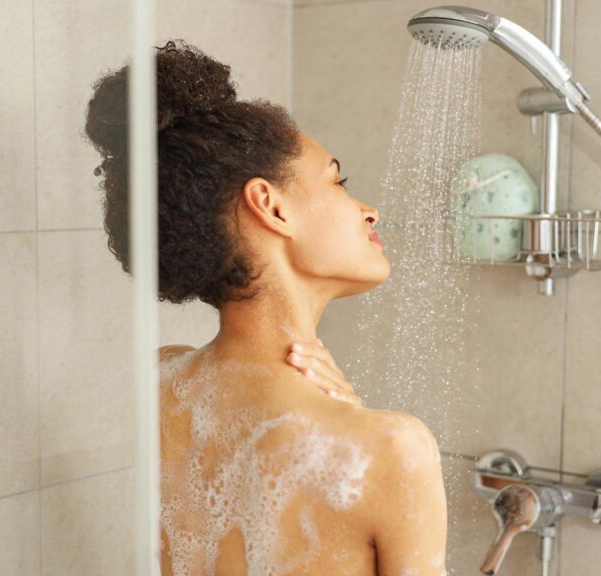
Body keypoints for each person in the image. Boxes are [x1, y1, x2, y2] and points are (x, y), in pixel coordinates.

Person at [84, 40, 447, 576]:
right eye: (338, 181)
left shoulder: (162, 383)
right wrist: (352, 424)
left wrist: (346, 415)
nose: (368, 211)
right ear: (271, 206)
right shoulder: (390, 448)